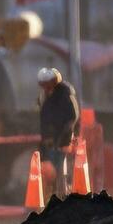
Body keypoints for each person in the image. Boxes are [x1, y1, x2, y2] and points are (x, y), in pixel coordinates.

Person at [37, 67, 79, 198]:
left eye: (49, 84)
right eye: (44, 84)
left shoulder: (65, 94)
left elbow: (72, 117)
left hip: (62, 139)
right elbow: (44, 118)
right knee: (51, 169)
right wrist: (46, 137)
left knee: (61, 169)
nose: (47, 87)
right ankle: (54, 196)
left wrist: (65, 138)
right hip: (51, 140)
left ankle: (61, 196)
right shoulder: (45, 96)